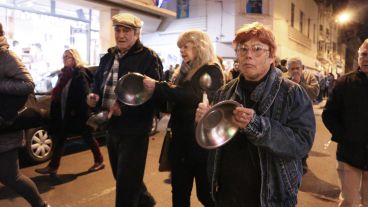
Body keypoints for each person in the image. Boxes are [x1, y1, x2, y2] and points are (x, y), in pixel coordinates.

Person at [195, 22, 315, 206]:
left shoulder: (292, 92)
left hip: (270, 197)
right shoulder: (224, 92)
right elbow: (215, 141)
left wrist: (257, 125)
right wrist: (206, 122)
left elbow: (301, 143)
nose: (248, 55)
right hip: (228, 193)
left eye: (257, 49)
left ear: (271, 56)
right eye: (242, 49)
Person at [86, 13, 163, 207]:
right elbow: (98, 82)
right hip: (111, 125)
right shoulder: (108, 56)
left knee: (126, 184)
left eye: (126, 31)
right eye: (118, 30)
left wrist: (125, 110)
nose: (121, 35)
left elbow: (154, 95)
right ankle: (146, 201)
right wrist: (94, 94)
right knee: (121, 176)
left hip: (135, 128)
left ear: (137, 33)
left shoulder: (148, 57)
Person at [144, 29, 223, 207]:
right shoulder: (184, 70)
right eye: (180, 47)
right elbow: (174, 102)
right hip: (180, 143)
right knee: (179, 194)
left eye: (186, 46)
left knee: (206, 195)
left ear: (200, 47)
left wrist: (159, 87)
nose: (182, 50)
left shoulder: (211, 69)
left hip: (201, 145)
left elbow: (193, 95)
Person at [0, 22, 50, 207]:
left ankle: (40, 205)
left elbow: (28, 84)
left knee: (11, 177)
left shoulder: (6, 55)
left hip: (6, 124)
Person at [35, 49, 104, 175]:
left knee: (87, 136)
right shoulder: (64, 74)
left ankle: (99, 161)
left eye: (68, 56)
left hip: (79, 114)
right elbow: (61, 92)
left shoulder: (80, 73)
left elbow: (85, 94)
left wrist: (80, 111)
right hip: (67, 113)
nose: (65, 58)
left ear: (75, 58)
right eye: (64, 56)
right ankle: (53, 166)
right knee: (61, 138)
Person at [322, 38, 368, 207]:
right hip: (349, 155)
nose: (366, 59)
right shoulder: (343, 83)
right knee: (348, 201)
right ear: (358, 57)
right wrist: (344, 136)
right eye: (363, 54)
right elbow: (329, 114)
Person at [286, 57, 319, 174]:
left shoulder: (310, 77)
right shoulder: (283, 78)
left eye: (297, 68)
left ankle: (303, 160)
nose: (295, 71)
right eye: (292, 68)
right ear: (288, 69)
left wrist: (300, 83)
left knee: (303, 139)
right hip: (287, 116)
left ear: (302, 68)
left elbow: (315, 92)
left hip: (304, 115)